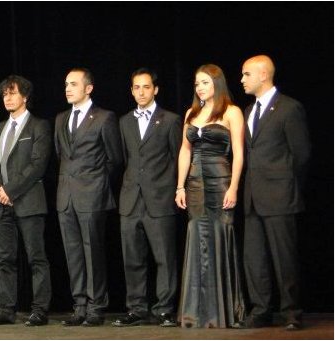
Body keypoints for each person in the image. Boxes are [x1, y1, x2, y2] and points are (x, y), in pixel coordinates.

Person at [238, 55, 310, 331]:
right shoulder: (247, 112)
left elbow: (301, 154)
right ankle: (261, 310)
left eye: (246, 74)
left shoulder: (289, 108)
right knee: (254, 258)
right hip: (254, 196)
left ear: (264, 75)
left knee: (284, 257)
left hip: (280, 195)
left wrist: (289, 187)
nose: (242, 80)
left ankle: (291, 312)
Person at [175, 64, 246, 328]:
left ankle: (223, 312)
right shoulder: (191, 113)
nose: (199, 87)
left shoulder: (231, 112)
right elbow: (185, 151)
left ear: (217, 83)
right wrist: (180, 186)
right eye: (196, 83)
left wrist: (234, 187)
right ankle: (196, 312)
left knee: (219, 237)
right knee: (196, 238)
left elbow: (238, 152)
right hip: (194, 185)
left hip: (221, 181)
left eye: (204, 82)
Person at [0, 75, 52, 327]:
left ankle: (39, 309)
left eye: (12, 93)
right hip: (0, 204)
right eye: (4, 94)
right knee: (5, 259)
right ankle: (5, 309)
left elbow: (37, 165)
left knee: (36, 257)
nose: (8, 98)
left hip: (28, 201)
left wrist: (10, 190)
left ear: (25, 96)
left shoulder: (38, 126)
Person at [54, 68, 123, 327]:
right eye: (66, 84)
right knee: (73, 253)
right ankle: (79, 305)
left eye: (73, 84)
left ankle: (96, 306)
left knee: (93, 252)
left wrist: (95, 183)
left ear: (88, 88)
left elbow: (114, 158)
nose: (68, 88)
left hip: (92, 195)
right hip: (66, 197)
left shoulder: (104, 118)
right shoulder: (61, 118)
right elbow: (61, 155)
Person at [112, 68, 181, 328]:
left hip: (159, 198)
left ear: (156, 89)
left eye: (146, 87)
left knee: (164, 257)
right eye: (136, 88)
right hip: (131, 200)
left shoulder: (171, 120)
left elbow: (177, 159)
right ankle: (137, 308)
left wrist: (173, 188)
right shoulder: (124, 121)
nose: (141, 92)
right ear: (131, 91)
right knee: (132, 259)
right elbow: (123, 159)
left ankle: (164, 309)